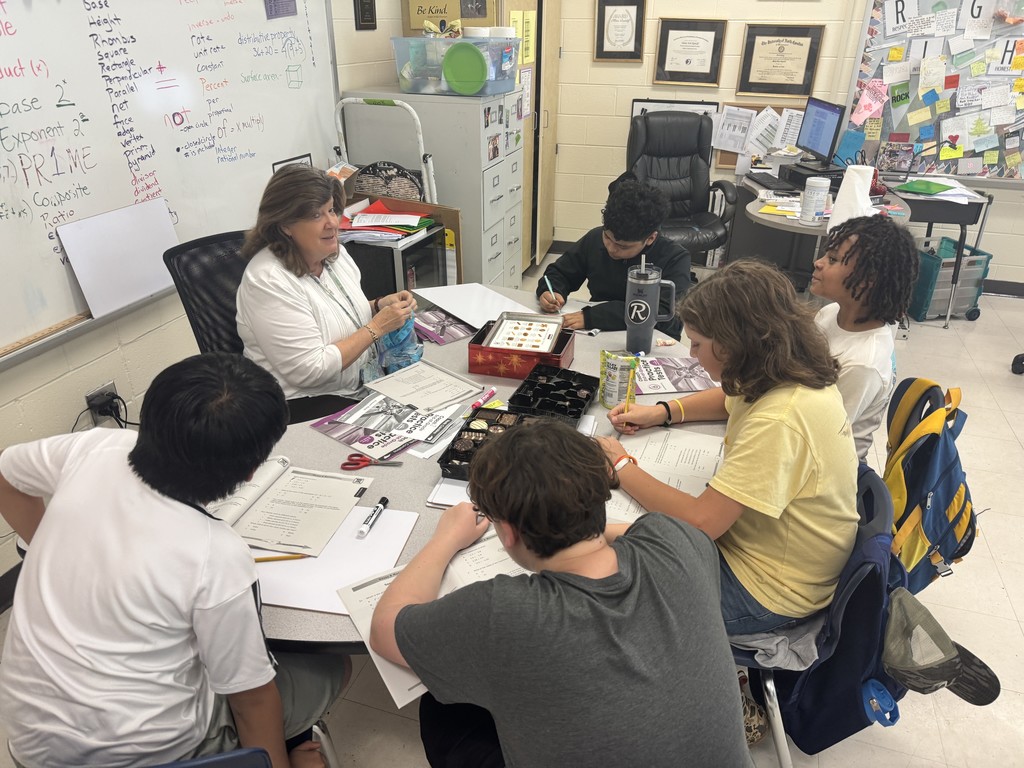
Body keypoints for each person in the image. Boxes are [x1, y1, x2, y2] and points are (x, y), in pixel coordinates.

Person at [0, 353, 347, 768]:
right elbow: (251, 701)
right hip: (151, 755)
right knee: (327, 670)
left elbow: (6, 476)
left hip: (28, 745)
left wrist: (45, 551)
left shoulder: (92, 446)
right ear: (253, 469)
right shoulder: (214, 553)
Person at [368, 419, 751, 768]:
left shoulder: (504, 613)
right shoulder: (679, 538)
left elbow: (385, 629)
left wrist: (446, 537)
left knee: (441, 707)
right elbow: (631, 532)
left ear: (508, 533)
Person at [598, 260, 860, 635]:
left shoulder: (780, 420)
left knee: (613, 600)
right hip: (769, 553)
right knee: (621, 545)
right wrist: (665, 412)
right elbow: (728, 398)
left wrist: (623, 466)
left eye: (698, 343)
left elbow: (700, 523)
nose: (691, 355)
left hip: (768, 589)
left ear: (734, 344)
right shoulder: (783, 370)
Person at [236, 164, 417, 422]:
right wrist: (377, 327)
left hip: (356, 389)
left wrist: (378, 306)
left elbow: (328, 316)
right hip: (305, 407)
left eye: (331, 209)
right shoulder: (267, 281)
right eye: (315, 215)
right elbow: (311, 370)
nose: (332, 222)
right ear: (286, 224)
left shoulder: (333, 255)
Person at [810, 214, 919, 461]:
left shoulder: (863, 364)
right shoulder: (831, 313)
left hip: (827, 470)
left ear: (867, 281)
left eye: (834, 259)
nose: (818, 262)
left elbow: (820, 438)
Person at [535, 179, 690, 338]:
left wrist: (594, 317)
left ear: (650, 238)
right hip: (594, 333)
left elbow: (667, 316)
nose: (611, 248)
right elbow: (560, 273)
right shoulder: (595, 238)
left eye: (623, 247)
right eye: (608, 238)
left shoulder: (675, 258)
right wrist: (551, 290)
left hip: (648, 339)